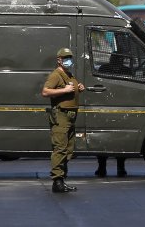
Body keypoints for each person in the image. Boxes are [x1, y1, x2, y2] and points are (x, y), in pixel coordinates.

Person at [41, 48, 86, 193]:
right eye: (65, 58)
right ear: (59, 60)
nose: (68, 60)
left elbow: (71, 89)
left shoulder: (68, 74)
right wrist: (65, 90)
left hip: (71, 117)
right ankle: (57, 181)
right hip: (61, 116)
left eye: (70, 57)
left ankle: (62, 179)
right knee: (60, 148)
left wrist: (79, 88)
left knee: (68, 150)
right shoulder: (56, 75)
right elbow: (45, 91)